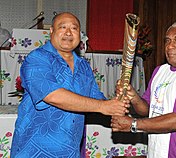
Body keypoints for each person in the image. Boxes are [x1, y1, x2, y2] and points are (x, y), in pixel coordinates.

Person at [11, 12, 128, 158]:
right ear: (51, 32)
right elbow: (52, 96)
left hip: (70, 151)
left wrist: (117, 104)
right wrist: (103, 107)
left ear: (80, 35)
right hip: (34, 150)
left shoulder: (84, 66)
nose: (68, 32)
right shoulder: (37, 58)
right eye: (62, 27)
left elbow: (97, 99)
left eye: (74, 28)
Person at [111, 21, 176, 158]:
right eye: (167, 41)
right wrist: (134, 97)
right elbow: (148, 110)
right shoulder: (160, 71)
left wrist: (134, 124)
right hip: (157, 151)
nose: (170, 46)